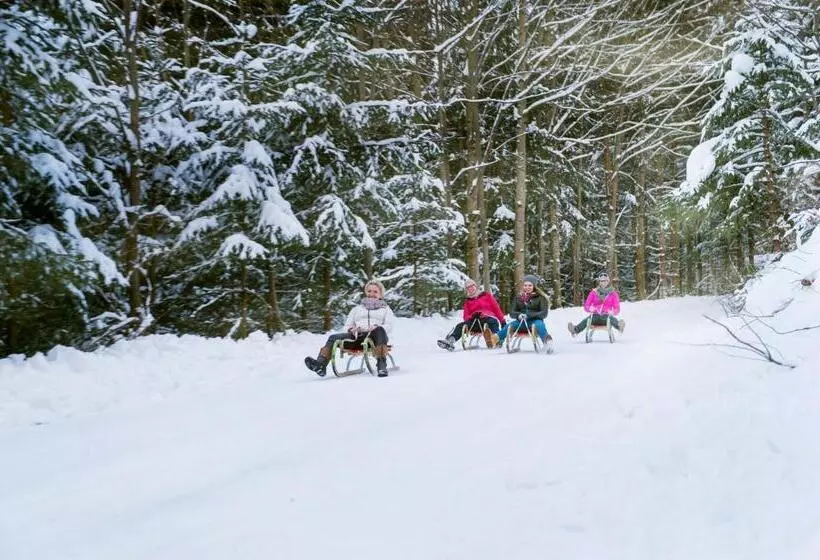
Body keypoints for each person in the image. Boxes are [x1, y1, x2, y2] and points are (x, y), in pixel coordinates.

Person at [304, 280, 396, 377]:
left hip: (375, 340)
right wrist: (350, 329)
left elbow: (389, 326)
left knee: (380, 329)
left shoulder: (386, 309)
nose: (371, 294)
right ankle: (321, 364)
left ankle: (381, 366)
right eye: (369, 291)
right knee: (333, 338)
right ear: (366, 292)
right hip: (357, 338)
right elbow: (346, 327)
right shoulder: (357, 309)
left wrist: (376, 327)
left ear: (381, 294)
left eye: (375, 291)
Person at [437, 279, 506, 351]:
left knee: (493, 321)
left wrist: (502, 321)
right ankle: (450, 341)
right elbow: (465, 316)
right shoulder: (468, 301)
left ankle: (496, 340)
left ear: (475, 286)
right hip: (474, 322)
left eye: (472, 286)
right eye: (468, 288)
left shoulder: (486, 296)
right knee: (461, 325)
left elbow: (496, 309)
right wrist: (472, 316)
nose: (470, 288)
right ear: (467, 290)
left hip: (487, 319)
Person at [498, 274, 552, 347]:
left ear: (534, 286)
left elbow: (544, 313)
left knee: (540, 325)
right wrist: (519, 315)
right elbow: (512, 312)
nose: (527, 287)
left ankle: (547, 342)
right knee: (509, 326)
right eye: (525, 285)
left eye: (530, 285)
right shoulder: (518, 297)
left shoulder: (541, 298)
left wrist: (529, 315)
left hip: (535, 321)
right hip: (521, 322)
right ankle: (495, 339)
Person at [567, 272, 625, 336]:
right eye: (601, 281)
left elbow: (617, 308)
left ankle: (619, 327)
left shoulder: (613, 293)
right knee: (587, 320)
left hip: (606, 316)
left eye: (605, 281)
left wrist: (613, 312)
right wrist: (590, 308)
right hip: (595, 316)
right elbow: (586, 305)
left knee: (612, 319)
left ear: (608, 281)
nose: (603, 283)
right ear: (599, 282)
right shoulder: (594, 292)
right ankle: (575, 330)